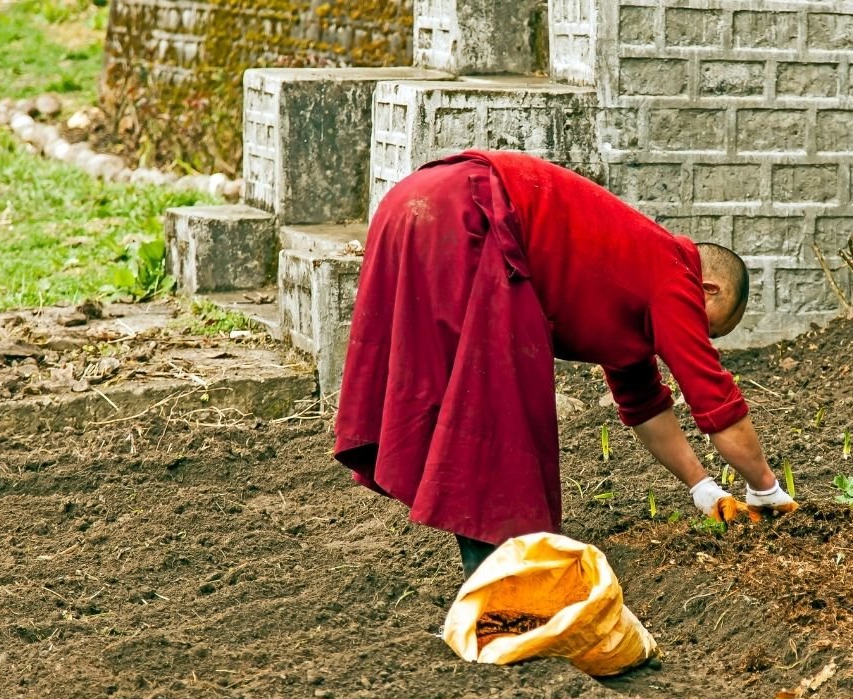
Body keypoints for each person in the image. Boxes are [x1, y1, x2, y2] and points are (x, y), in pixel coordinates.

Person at [333, 150, 797, 577]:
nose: (699, 336)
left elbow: (644, 403)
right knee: (497, 404)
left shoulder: (635, 272)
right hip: (469, 211)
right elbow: (714, 400)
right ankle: (496, 575)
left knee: (449, 387)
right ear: (709, 290)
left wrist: (703, 488)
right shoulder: (675, 275)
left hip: (413, 201)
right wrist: (766, 490)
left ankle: (490, 568)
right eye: (710, 328)